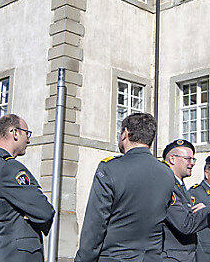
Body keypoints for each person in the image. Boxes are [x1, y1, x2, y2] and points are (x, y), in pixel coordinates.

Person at [75, 112, 176, 262]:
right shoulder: (167, 172)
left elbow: (95, 223)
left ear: (125, 134)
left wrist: (84, 259)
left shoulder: (110, 168)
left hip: (116, 257)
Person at [0, 114, 53, 262]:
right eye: (27, 134)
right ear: (15, 133)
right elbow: (44, 211)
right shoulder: (9, 167)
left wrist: (27, 212)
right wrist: (29, 213)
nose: (28, 140)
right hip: (15, 255)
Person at [162, 139, 210, 262]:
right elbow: (185, 225)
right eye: (188, 159)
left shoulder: (179, 186)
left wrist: (202, 210)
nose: (192, 163)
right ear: (172, 159)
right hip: (174, 257)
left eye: (193, 159)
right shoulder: (168, 185)